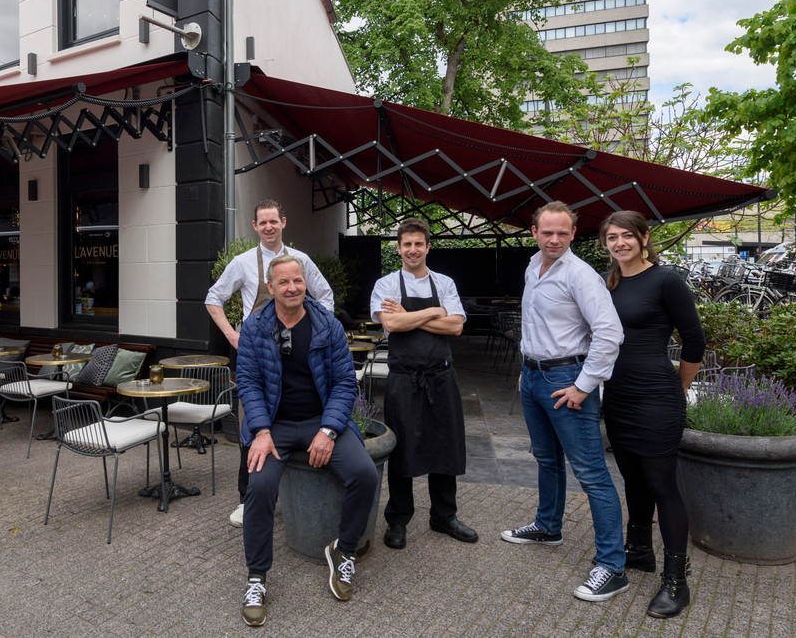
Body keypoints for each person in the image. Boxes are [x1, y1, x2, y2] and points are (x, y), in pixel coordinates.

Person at [236, 254, 377, 627]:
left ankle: (343, 552)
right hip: (274, 424)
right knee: (260, 487)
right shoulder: (254, 328)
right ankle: (257, 577)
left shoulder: (325, 324)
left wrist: (329, 430)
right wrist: (261, 432)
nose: (292, 287)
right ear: (271, 287)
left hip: (320, 420)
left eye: (297, 280)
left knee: (365, 475)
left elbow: (346, 382)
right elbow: (248, 384)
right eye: (283, 282)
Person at [502, 202, 628, 602]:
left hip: (566, 381)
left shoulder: (581, 275)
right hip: (534, 377)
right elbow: (533, 320)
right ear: (534, 232)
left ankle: (612, 566)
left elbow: (610, 333)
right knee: (546, 458)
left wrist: (584, 385)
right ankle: (547, 526)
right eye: (546, 232)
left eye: (562, 232)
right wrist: (527, 364)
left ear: (574, 233)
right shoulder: (532, 266)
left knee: (591, 473)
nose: (554, 239)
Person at [205, 199, 335, 528]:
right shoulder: (243, 262)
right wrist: (232, 336)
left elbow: (326, 295)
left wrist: (321, 332)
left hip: (298, 355)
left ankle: (292, 494)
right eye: (262, 222)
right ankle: (248, 499)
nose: (268, 227)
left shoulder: (300, 261)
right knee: (253, 424)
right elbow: (213, 298)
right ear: (254, 227)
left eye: (273, 221)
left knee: (295, 417)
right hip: (257, 355)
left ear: (283, 222)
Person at [600, 211, 703, 618]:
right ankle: (639, 550)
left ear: (644, 238)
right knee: (633, 478)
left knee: (662, 484)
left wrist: (678, 387)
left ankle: (676, 582)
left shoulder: (666, 279)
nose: (620, 243)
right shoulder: (607, 282)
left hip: (657, 394)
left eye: (627, 235)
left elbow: (694, 340)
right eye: (612, 237)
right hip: (619, 394)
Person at [370, 217, 477, 550]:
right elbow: (391, 322)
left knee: (445, 445)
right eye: (407, 244)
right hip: (403, 378)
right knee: (401, 450)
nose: (413, 249)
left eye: (419, 244)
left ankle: (444, 516)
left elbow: (456, 327)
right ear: (398, 248)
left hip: (441, 376)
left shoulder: (444, 281)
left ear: (428, 247)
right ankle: (398, 519)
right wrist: (435, 312)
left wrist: (411, 318)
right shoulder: (385, 284)